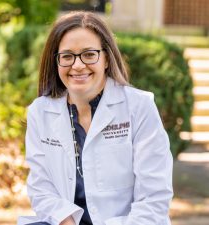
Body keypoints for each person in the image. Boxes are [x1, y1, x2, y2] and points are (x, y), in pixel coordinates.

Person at [18, 11, 173, 225]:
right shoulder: (40, 112)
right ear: (56, 61)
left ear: (107, 59)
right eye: (67, 56)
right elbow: (41, 187)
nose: (78, 65)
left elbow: (154, 198)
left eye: (89, 54)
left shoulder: (139, 107)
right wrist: (66, 222)